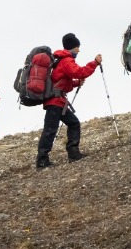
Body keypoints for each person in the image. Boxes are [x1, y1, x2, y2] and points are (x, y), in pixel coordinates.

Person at [36, 34, 101, 168]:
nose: (79, 50)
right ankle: (42, 160)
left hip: (58, 102)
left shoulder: (61, 60)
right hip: (55, 102)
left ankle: (72, 153)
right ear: (73, 47)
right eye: (78, 47)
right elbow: (80, 72)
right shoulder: (66, 60)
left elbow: (63, 83)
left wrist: (76, 83)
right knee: (50, 130)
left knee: (73, 123)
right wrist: (94, 63)